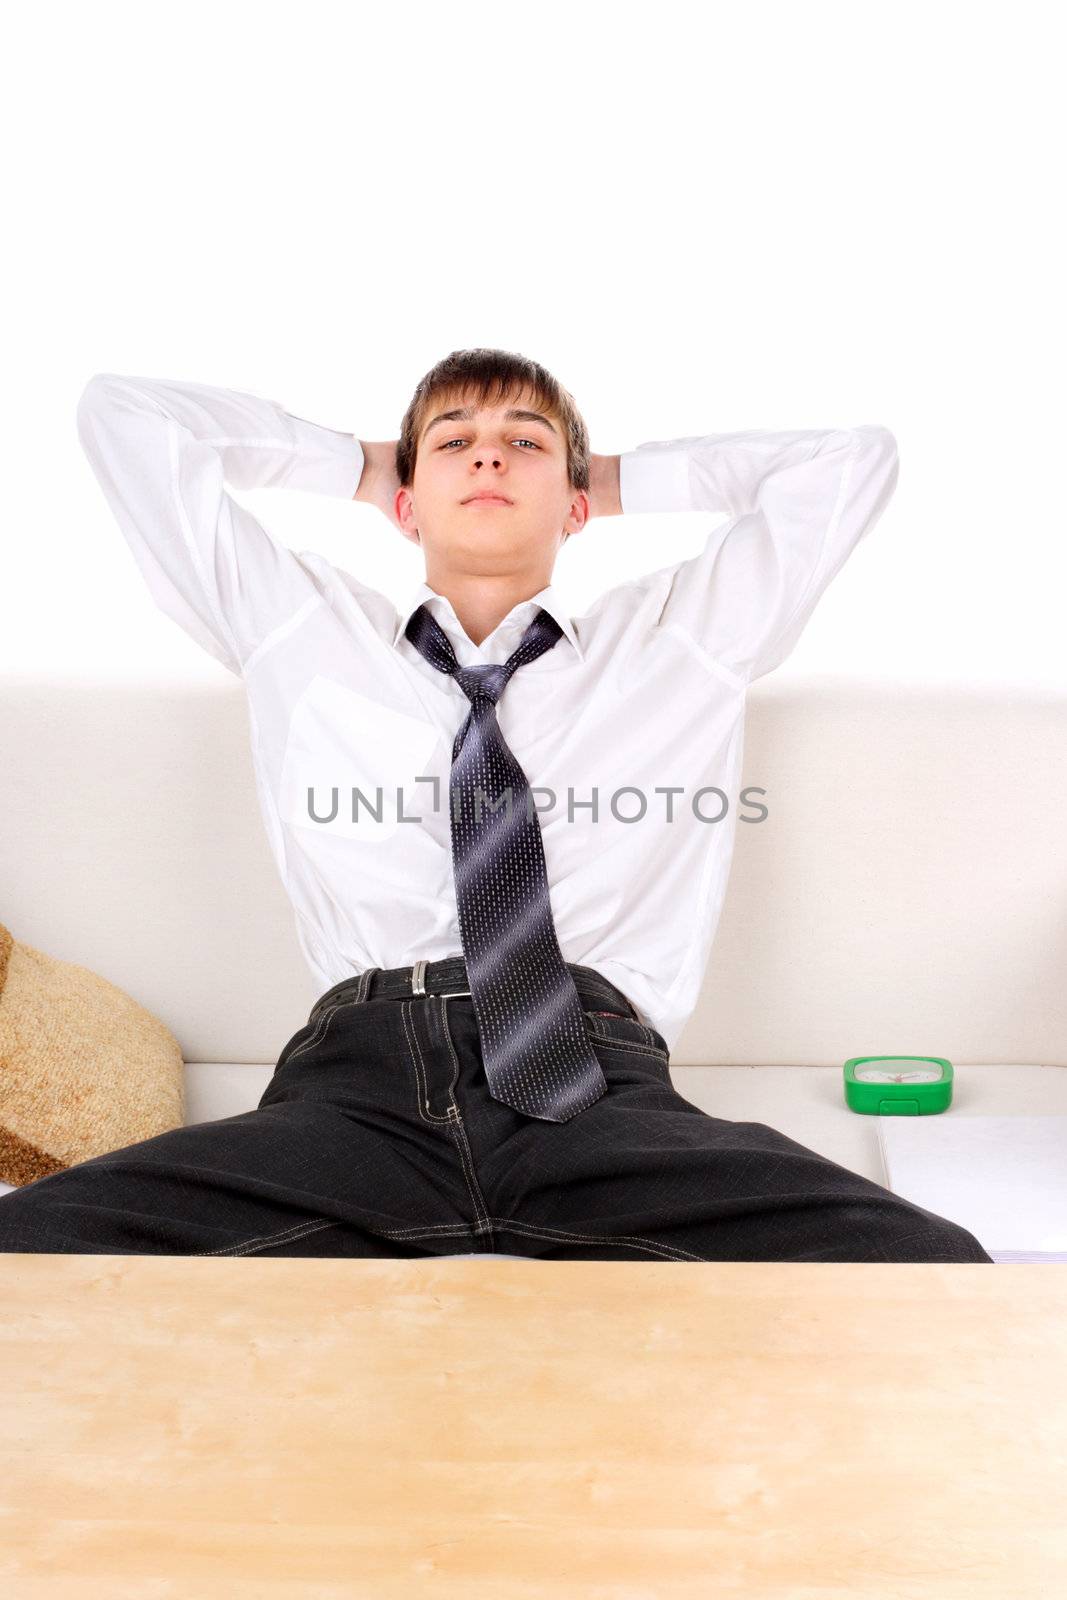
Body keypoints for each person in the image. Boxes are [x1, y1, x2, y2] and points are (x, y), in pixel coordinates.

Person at [0, 347, 991, 1262]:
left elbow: (849, 463)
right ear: (404, 500)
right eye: (454, 444)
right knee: (31, 1252)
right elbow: (123, 418)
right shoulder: (299, 629)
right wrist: (357, 464)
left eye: (522, 441)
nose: (487, 458)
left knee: (936, 1272)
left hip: (598, 1094)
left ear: (570, 502)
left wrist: (601, 481)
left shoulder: (678, 639)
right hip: (359, 1090)